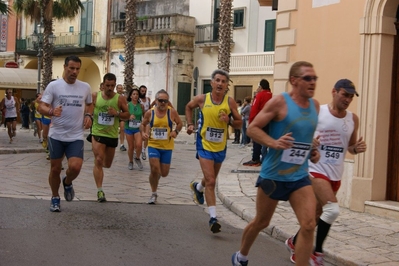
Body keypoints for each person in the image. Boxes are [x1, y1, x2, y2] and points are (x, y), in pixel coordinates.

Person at [231, 61, 320, 266]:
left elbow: (304, 138)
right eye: (308, 78)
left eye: (315, 78)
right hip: (273, 175)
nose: (313, 82)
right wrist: (274, 143)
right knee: (262, 221)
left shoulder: (315, 106)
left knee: (308, 225)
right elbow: (252, 128)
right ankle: (241, 256)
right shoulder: (279, 102)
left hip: (299, 176)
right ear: (294, 80)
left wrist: (313, 152)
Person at [285, 79, 367, 265]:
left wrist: (357, 148)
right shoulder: (318, 111)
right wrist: (309, 142)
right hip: (315, 169)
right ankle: (316, 253)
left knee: (314, 217)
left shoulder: (352, 119)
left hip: (335, 174)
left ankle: (294, 242)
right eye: (344, 94)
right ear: (334, 92)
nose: (348, 99)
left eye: (351, 96)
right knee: (332, 210)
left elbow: (350, 147)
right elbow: (297, 133)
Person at [186, 69, 242, 233]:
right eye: (217, 80)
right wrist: (190, 124)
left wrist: (229, 120)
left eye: (223, 81)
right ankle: (213, 218)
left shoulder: (230, 102)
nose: (220, 84)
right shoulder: (203, 99)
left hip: (220, 146)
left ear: (226, 86)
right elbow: (188, 107)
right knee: (211, 181)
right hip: (204, 144)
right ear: (211, 83)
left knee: (209, 179)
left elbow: (239, 124)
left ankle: (197, 188)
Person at [38, 55, 93, 212]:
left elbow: (90, 104)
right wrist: (51, 111)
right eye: (71, 68)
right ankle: (55, 197)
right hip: (56, 135)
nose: (74, 72)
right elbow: (41, 107)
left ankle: (67, 182)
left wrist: (89, 116)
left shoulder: (85, 87)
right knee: (55, 169)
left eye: (77, 69)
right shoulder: (54, 86)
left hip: (75, 135)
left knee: (75, 167)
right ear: (64, 67)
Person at [89, 74, 129, 202]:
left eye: (112, 86)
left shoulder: (120, 99)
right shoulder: (95, 96)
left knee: (107, 164)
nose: (110, 88)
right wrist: (88, 118)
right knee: (99, 159)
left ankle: (98, 167)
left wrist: (116, 113)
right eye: (107, 85)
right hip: (97, 133)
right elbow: (89, 109)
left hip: (111, 135)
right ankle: (100, 191)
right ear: (103, 84)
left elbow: (127, 114)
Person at [140, 89, 182, 204]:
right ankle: (153, 193)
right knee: (154, 168)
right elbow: (143, 124)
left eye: (165, 101)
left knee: (164, 173)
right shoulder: (150, 113)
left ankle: (155, 177)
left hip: (167, 147)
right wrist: (143, 133)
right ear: (156, 101)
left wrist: (176, 132)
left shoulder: (171, 112)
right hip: (153, 144)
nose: (163, 103)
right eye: (160, 100)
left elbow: (180, 123)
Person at [242, 79, 273, 166]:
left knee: (256, 140)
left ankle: (256, 159)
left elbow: (254, 110)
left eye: (258, 87)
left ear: (261, 87)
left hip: (259, 121)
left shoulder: (259, 96)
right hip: (270, 121)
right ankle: (266, 158)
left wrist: (251, 123)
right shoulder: (271, 95)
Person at [125, 87, 145, 170]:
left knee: (139, 145)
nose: (135, 96)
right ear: (130, 96)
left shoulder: (141, 106)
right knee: (131, 147)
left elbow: (144, 117)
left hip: (137, 128)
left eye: (137, 94)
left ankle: (137, 158)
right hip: (129, 127)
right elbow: (123, 117)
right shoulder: (127, 105)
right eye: (134, 94)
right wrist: (128, 117)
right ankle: (130, 161)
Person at [138, 85, 152, 160]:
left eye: (145, 91)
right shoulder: (138, 100)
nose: (143, 92)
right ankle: (137, 150)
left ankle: (144, 150)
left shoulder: (148, 99)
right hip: (140, 120)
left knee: (147, 135)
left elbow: (150, 109)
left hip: (147, 120)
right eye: (142, 91)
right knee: (140, 136)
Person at [116, 84, 127, 151]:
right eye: (118, 88)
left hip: (121, 115)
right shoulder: (113, 96)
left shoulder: (124, 97)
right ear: (116, 89)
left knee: (122, 129)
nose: (120, 89)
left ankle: (122, 144)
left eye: (121, 88)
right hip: (114, 115)